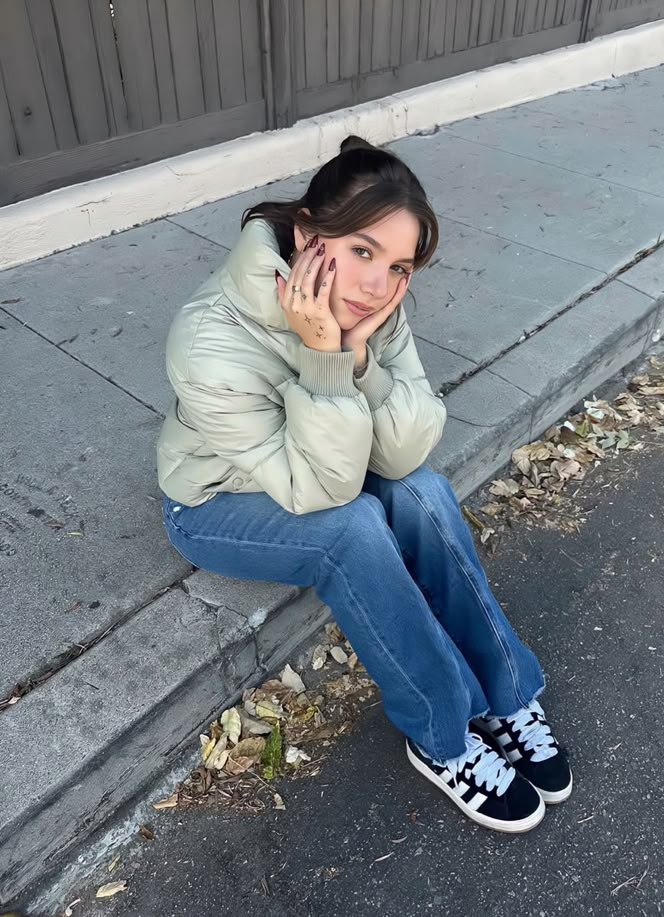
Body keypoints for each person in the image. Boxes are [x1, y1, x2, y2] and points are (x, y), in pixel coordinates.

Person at [157, 135, 572, 833]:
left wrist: (359, 357)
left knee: (424, 494)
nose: (377, 284)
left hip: (321, 469)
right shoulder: (210, 336)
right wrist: (324, 361)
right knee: (352, 532)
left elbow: (406, 450)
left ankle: (506, 693)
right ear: (306, 232)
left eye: (398, 264)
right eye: (360, 250)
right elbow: (323, 494)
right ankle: (440, 732)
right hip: (216, 501)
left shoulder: (373, 308)